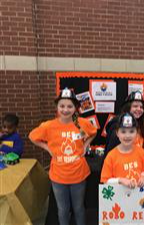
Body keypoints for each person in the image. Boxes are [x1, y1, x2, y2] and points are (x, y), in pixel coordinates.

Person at [29, 88, 97, 225]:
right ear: (57, 107)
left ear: (76, 108)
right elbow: (32, 136)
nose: (65, 109)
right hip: (58, 177)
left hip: (79, 174)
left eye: (70, 106)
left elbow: (93, 132)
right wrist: (47, 147)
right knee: (63, 209)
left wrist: (86, 145)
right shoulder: (49, 126)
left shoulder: (81, 124)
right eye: (62, 106)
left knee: (78, 208)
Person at [100, 113, 144, 189]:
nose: (127, 136)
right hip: (119, 198)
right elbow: (105, 181)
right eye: (123, 132)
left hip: (138, 197)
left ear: (137, 133)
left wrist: (143, 176)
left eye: (131, 131)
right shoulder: (111, 156)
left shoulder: (141, 152)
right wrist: (120, 180)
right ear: (117, 133)